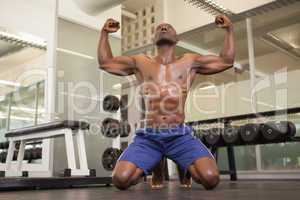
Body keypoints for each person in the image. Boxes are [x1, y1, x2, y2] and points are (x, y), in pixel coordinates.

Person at [98, 15, 235, 190]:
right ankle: (157, 166)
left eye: (168, 27)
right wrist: (104, 33)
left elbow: (226, 61)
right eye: (159, 28)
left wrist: (229, 30)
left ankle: (179, 164)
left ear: (177, 39)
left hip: (179, 136)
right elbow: (105, 62)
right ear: (154, 39)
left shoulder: (190, 61)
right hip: (150, 137)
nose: (163, 28)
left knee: (210, 179)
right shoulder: (140, 62)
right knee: (121, 180)